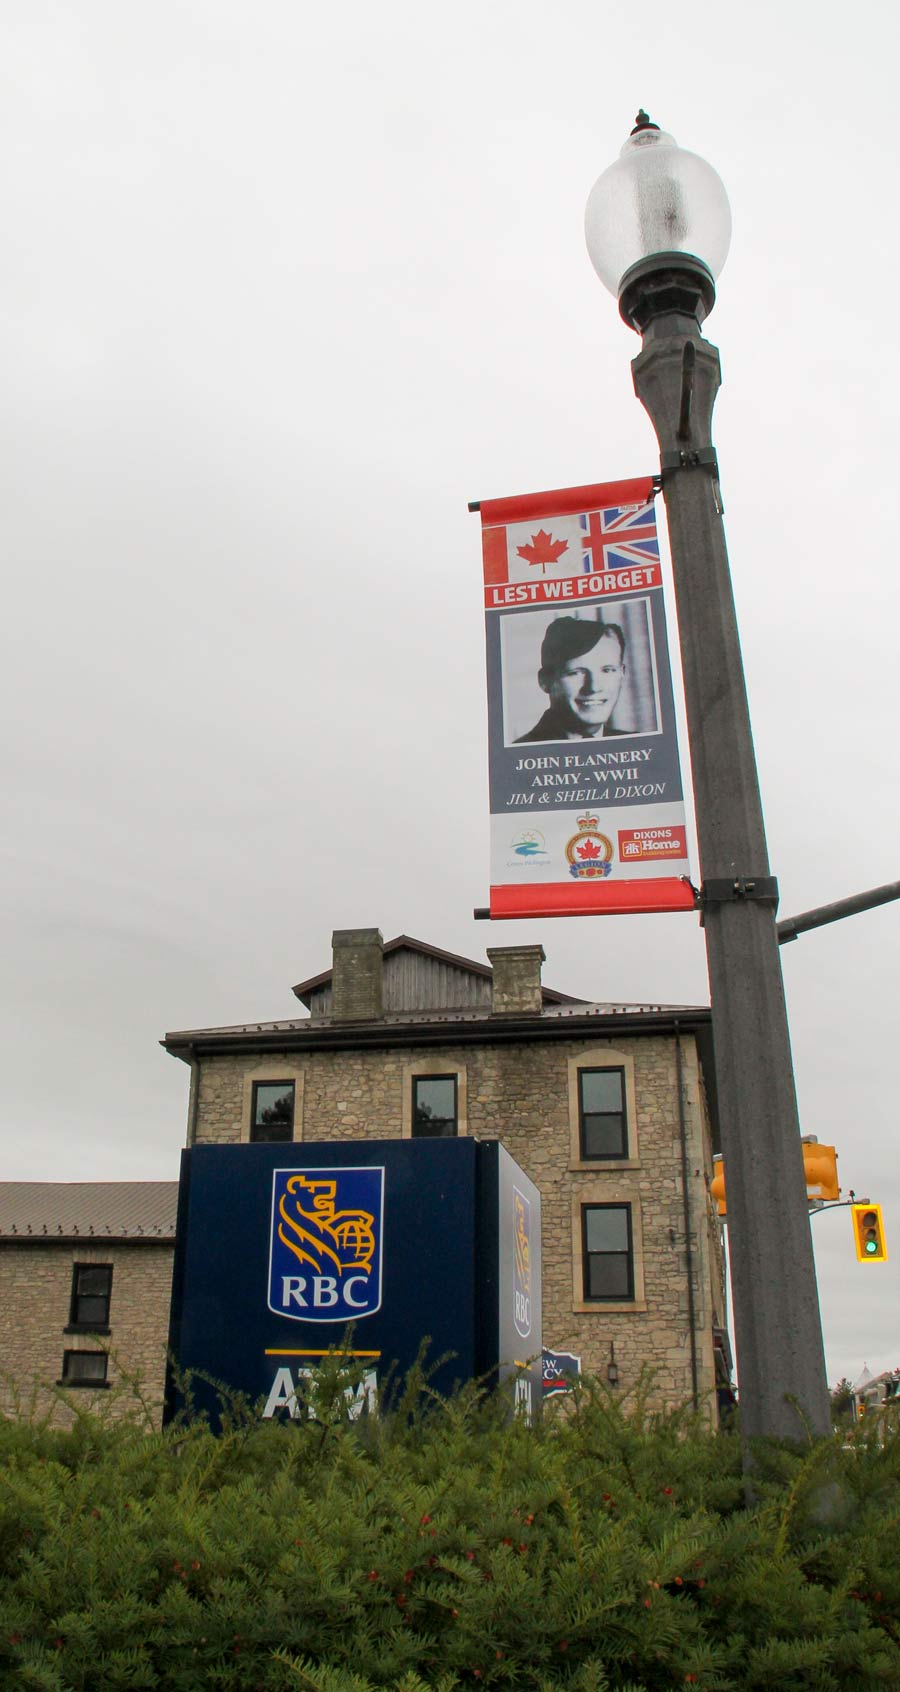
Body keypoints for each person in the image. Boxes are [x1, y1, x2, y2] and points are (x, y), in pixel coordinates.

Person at [515, 616, 629, 742]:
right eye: (575, 673)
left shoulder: (631, 743)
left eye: (607, 670)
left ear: (622, 673)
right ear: (545, 681)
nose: (594, 687)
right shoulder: (521, 749)